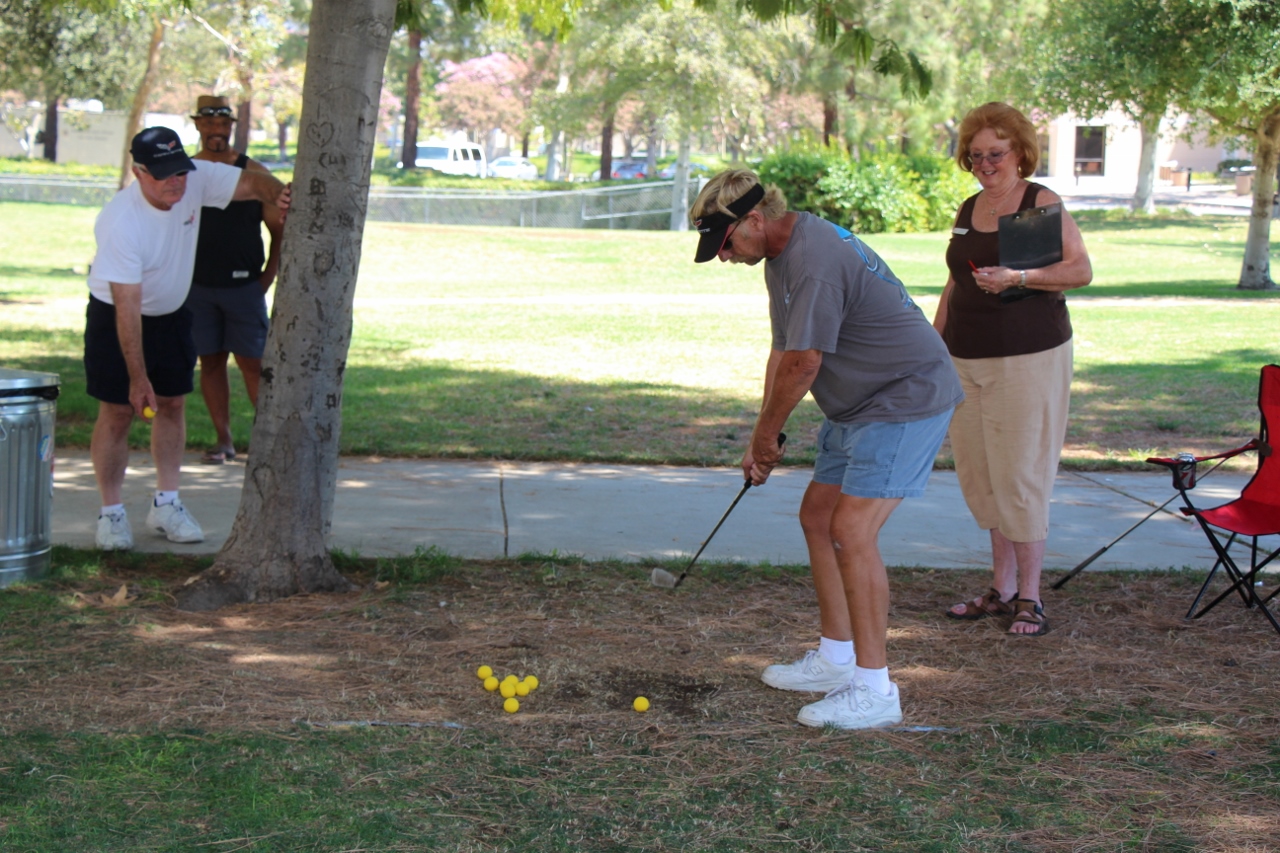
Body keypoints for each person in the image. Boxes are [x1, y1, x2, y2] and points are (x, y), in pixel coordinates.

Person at [692, 169, 963, 730]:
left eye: (725, 243)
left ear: (755, 220)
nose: (723, 257)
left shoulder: (813, 261)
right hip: (859, 404)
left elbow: (806, 364)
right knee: (818, 517)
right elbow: (783, 351)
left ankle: (875, 689)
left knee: (852, 530)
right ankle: (837, 660)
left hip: (906, 395)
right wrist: (759, 435)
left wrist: (770, 435)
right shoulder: (779, 258)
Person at [88, 126, 291, 550]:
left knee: (173, 404)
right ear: (138, 171)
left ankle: (167, 503)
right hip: (119, 319)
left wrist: (278, 194)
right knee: (120, 411)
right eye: (164, 175)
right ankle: (111, 514)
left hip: (173, 313)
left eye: (179, 172)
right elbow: (127, 308)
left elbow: (253, 181)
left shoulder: (194, 177)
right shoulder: (120, 222)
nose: (176, 182)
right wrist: (137, 376)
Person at [934, 102, 1092, 635]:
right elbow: (956, 281)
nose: (984, 163)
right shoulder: (969, 208)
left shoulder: (1032, 203)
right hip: (964, 357)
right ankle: (1000, 589)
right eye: (975, 155)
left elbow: (1078, 270)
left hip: (1026, 357)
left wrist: (1020, 277)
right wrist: (935, 344)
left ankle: (1031, 596)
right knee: (981, 476)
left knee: (1020, 474)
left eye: (995, 154)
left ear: (1020, 153)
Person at [186, 95, 284, 464]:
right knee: (210, 362)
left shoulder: (254, 175)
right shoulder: (185, 171)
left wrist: (265, 279)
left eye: (223, 125)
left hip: (244, 287)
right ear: (197, 126)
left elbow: (279, 233)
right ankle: (223, 440)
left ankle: (267, 445)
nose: (216, 131)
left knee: (254, 364)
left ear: (232, 127)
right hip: (197, 288)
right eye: (209, 124)